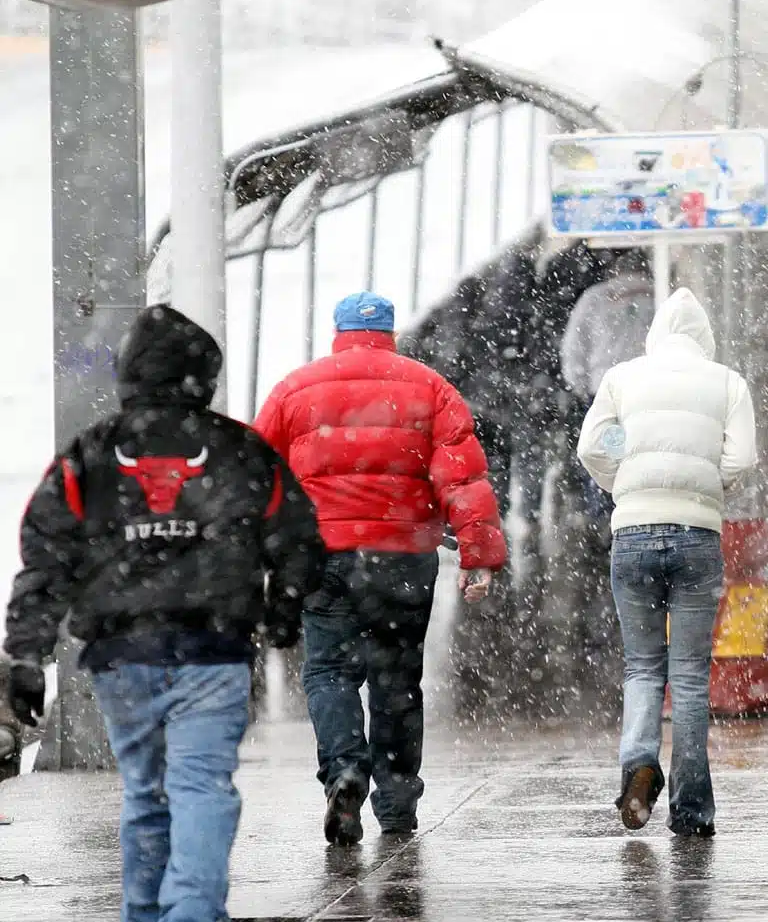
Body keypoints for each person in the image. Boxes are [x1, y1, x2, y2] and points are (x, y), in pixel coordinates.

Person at [3, 304, 323, 921]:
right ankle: (191, 912)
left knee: (146, 794)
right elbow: (297, 536)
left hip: (121, 657)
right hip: (214, 649)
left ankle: (146, 913)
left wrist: (27, 653)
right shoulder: (239, 450)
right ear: (202, 376)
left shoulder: (89, 454)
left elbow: (45, 555)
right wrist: (283, 610)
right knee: (201, 787)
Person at [254, 291, 507, 845]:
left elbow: (258, 473)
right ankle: (396, 805)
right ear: (390, 333)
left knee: (328, 672)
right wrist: (479, 555)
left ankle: (345, 770)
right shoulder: (429, 387)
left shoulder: (296, 389)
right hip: (403, 554)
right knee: (396, 680)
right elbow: (462, 478)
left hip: (323, 553)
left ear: (337, 332)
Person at [577, 287, 757, 837]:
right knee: (691, 677)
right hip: (697, 536)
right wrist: (707, 489)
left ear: (655, 335)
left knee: (642, 666)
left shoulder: (622, 379)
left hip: (632, 533)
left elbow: (593, 448)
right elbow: (742, 457)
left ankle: (638, 761)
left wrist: (623, 490)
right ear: (703, 339)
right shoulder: (727, 381)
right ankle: (692, 808)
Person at [561, 249, 658, 523]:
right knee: (645, 448)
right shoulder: (660, 295)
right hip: (649, 387)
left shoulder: (594, 298)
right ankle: (644, 507)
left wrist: (578, 385)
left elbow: (573, 348)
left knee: (608, 451)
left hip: (606, 390)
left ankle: (606, 513)